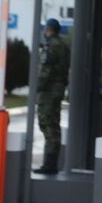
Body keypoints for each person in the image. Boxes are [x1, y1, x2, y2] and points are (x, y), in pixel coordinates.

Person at [34, 18, 71, 175]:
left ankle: (49, 165)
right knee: (53, 125)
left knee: (48, 126)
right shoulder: (64, 45)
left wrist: (37, 87)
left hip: (49, 91)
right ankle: (51, 163)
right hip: (58, 89)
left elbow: (46, 70)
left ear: (48, 29)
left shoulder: (51, 46)